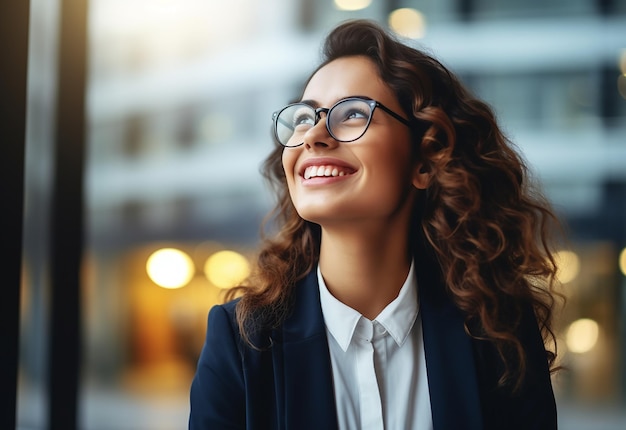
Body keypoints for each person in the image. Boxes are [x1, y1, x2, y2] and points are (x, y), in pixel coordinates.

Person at [189, 19, 561, 430]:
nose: (314, 135)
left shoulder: (498, 332)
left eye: (351, 114)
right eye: (303, 118)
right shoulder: (240, 343)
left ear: (425, 158)